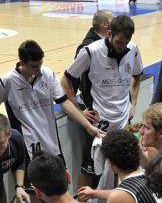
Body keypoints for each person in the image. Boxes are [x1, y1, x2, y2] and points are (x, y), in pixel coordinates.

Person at [0, 40, 104, 174]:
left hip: (52, 145)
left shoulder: (48, 74)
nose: (38, 70)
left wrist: (88, 127)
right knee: (35, 194)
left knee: (61, 188)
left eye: (40, 64)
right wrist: (5, 133)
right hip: (27, 149)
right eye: (34, 66)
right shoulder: (7, 81)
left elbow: (64, 103)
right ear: (22, 62)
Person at [61, 15, 143, 189]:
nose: (122, 46)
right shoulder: (91, 51)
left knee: (119, 167)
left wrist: (133, 103)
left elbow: (137, 76)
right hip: (98, 123)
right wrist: (78, 109)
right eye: (119, 42)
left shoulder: (133, 49)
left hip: (123, 121)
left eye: (126, 42)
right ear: (109, 33)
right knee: (88, 171)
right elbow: (65, 81)